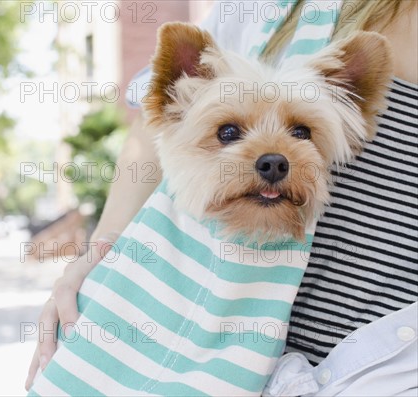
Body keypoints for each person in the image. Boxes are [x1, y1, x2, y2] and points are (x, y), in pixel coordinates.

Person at [26, 0, 417, 394]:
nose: (274, 160)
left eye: (300, 132)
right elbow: (150, 131)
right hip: (191, 343)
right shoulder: (272, 8)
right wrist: (101, 250)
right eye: (230, 133)